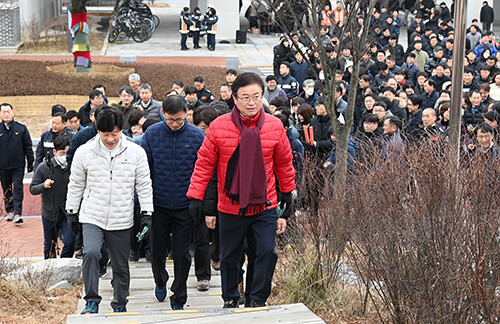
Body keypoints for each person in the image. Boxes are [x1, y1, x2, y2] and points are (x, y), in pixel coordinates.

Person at [187, 72, 295, 308]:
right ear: (234, 99)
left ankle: (257, 298)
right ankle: (232, 297)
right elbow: (204, 163)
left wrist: (287, 196)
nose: (251, 102)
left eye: (256, 96)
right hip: (230, 204)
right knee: (230, 256)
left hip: (264, 203)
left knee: (266, 251)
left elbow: (284, 164)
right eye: (245, 97)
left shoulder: (275, 126)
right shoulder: (218, 127)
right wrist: (196, 197)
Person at [66, 108, 153, 314]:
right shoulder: (85, 152)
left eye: (115, 134)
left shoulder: (135, 152)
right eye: (106, 135)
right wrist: (72, 210)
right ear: (97, 131)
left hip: (122, 216)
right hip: (92, 213)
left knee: (120, 264)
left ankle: (120, 302)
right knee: (91, 252)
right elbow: (76, 183)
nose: (111, 139)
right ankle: (92, 300)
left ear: (121, 130)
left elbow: (143, 184)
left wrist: (147, 213)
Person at [141, 95, 205, 310]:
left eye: (180, 120)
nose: (175, 124)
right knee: (157, 252)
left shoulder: (197, 136)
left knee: (182, 253)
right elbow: (144, 171)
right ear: (163, 115)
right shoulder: (151, 134)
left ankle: (179, 294)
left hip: (185, 204)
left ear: (187, 114)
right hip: (158, 204)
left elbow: (202, 170)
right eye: (170, 120)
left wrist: (198, 199)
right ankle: (160, 279)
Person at [30, 135, 74, 259]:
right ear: (55, 152)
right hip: (49, 212)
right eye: (62, 153)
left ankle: (64, 266)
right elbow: (33, 189)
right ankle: (50, 270)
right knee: (49, 245)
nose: (65, 156)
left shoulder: (74, 167)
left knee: (70, 241)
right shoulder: (44, 168)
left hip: (67, 211)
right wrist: (44, 185)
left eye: (67, 153)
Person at [0, 103, 34, 224]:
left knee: (18, 188)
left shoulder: (21, 128)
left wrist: (30, 162)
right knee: (6, 189)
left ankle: (18, 212)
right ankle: (10, 210)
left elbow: (28, 146)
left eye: (8, 111)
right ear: (0, 114)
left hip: (18, 165)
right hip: (3, 166)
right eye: (4, 112)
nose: (6, 114)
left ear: (13, 112)